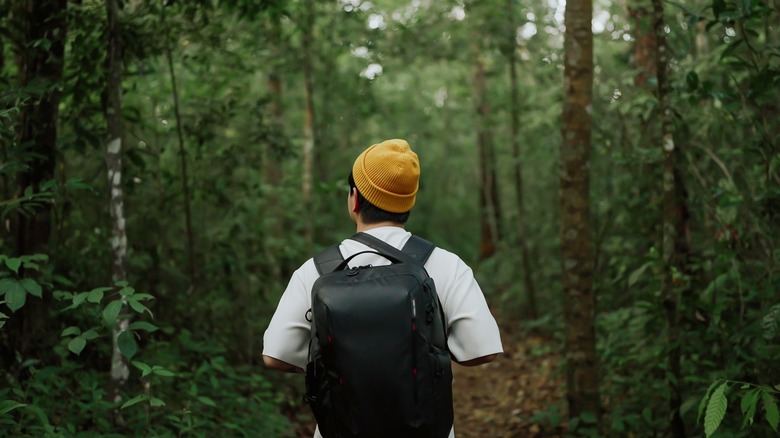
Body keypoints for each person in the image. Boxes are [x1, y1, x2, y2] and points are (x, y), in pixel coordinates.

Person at [262, 138, 503, 438]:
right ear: (408, 202)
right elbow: (483, 352)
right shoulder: (445, 264)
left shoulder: (316, 270)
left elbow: (276, 356)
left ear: (354, 199)